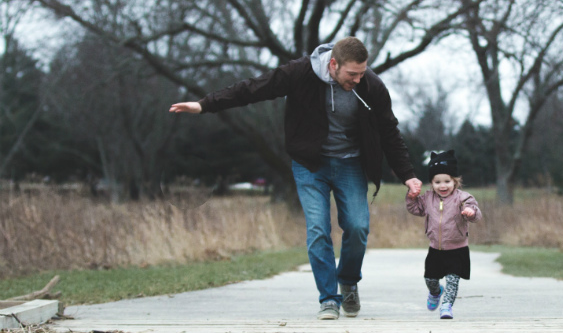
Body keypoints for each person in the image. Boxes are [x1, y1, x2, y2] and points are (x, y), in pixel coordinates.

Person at [169, 37, 422, 320]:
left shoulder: (371, 85)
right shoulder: (300, 72)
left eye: (362, 72)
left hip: (350, 163)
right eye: (352, 74)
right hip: (309, 164)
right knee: (318, 230)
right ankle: (329, 298)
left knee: (358, 227)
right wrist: (204, 105)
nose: (358, 79)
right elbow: (254, 88)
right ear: (333, 64)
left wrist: (408, 176)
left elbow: (389, 131)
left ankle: (348, 280)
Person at [405, 150, 482, 319]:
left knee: (453, 281)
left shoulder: (463, 198)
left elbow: (476, 213)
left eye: (447, 181)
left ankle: (446, 306)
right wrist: (411, 198)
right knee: (430, 279)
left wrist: (471, 211)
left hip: (457, 249)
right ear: (431, 183)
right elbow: (415, 209)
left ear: (455, 181)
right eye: (437, 182)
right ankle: (436, 292)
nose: (443, 186)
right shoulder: (427, 198)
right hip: (435, 249)